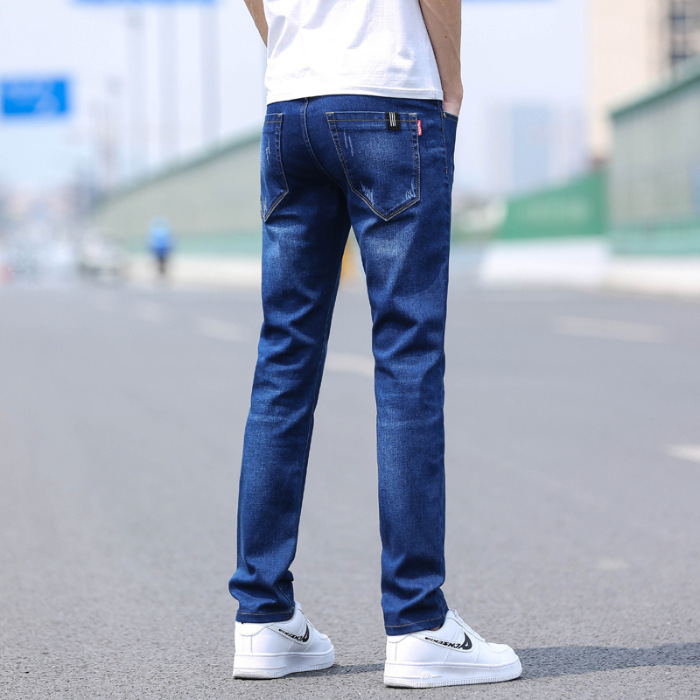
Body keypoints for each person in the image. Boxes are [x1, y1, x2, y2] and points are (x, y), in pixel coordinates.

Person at [230, 0, 522, 688]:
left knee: (284, 360)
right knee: (406, 360)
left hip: (291, 106)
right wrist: (451, 82)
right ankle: (418, 623)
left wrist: (295, 49)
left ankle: (263, 619)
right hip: (390, 98)